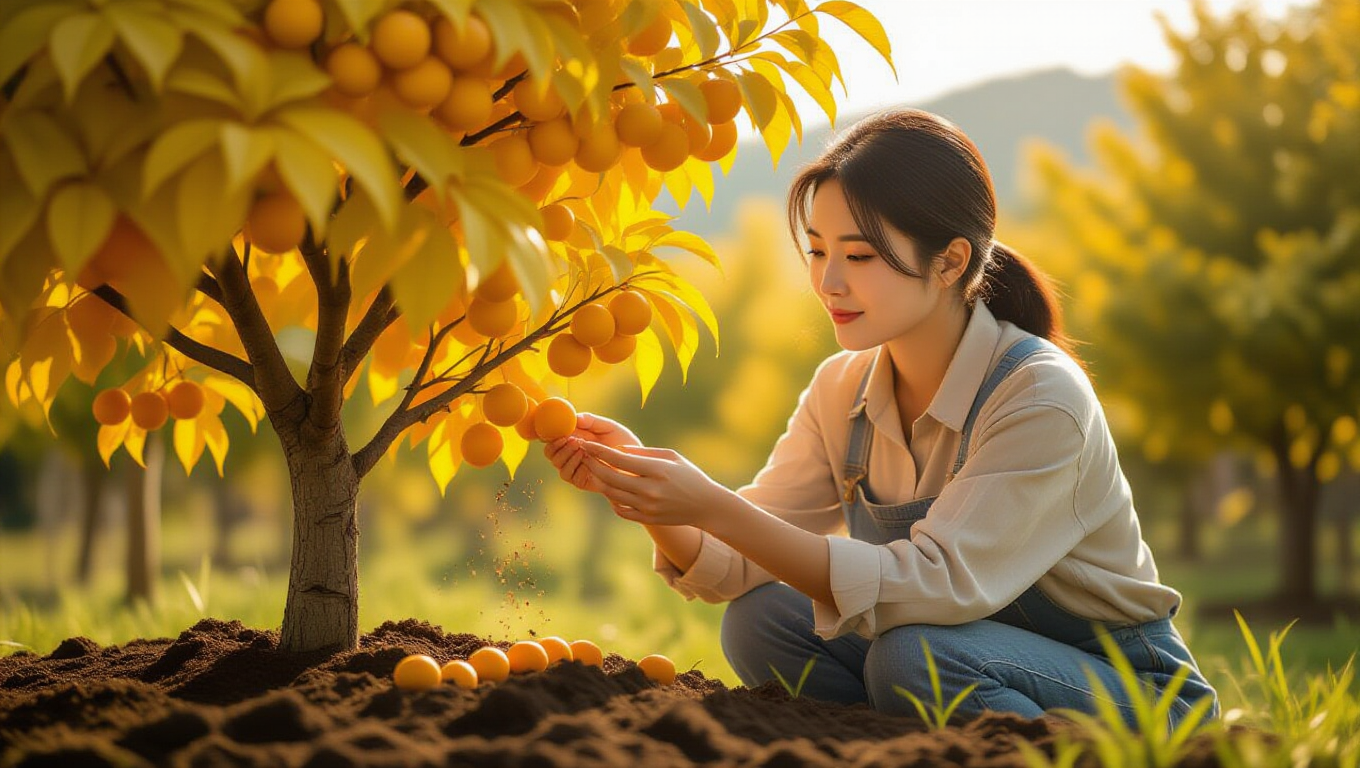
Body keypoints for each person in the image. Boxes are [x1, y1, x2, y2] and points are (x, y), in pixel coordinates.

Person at [543, 108, 1218, 730]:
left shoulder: (1039, 396)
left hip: (1128, 689)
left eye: (860, 256)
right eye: (816, 250)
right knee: (759, 623)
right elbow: (735, 566)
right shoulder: (843, 390)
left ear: (950, 261)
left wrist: (714, 505)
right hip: (954, 644)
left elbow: (936, 585)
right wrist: (644, 489)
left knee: (916, 658)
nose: (829, 281)